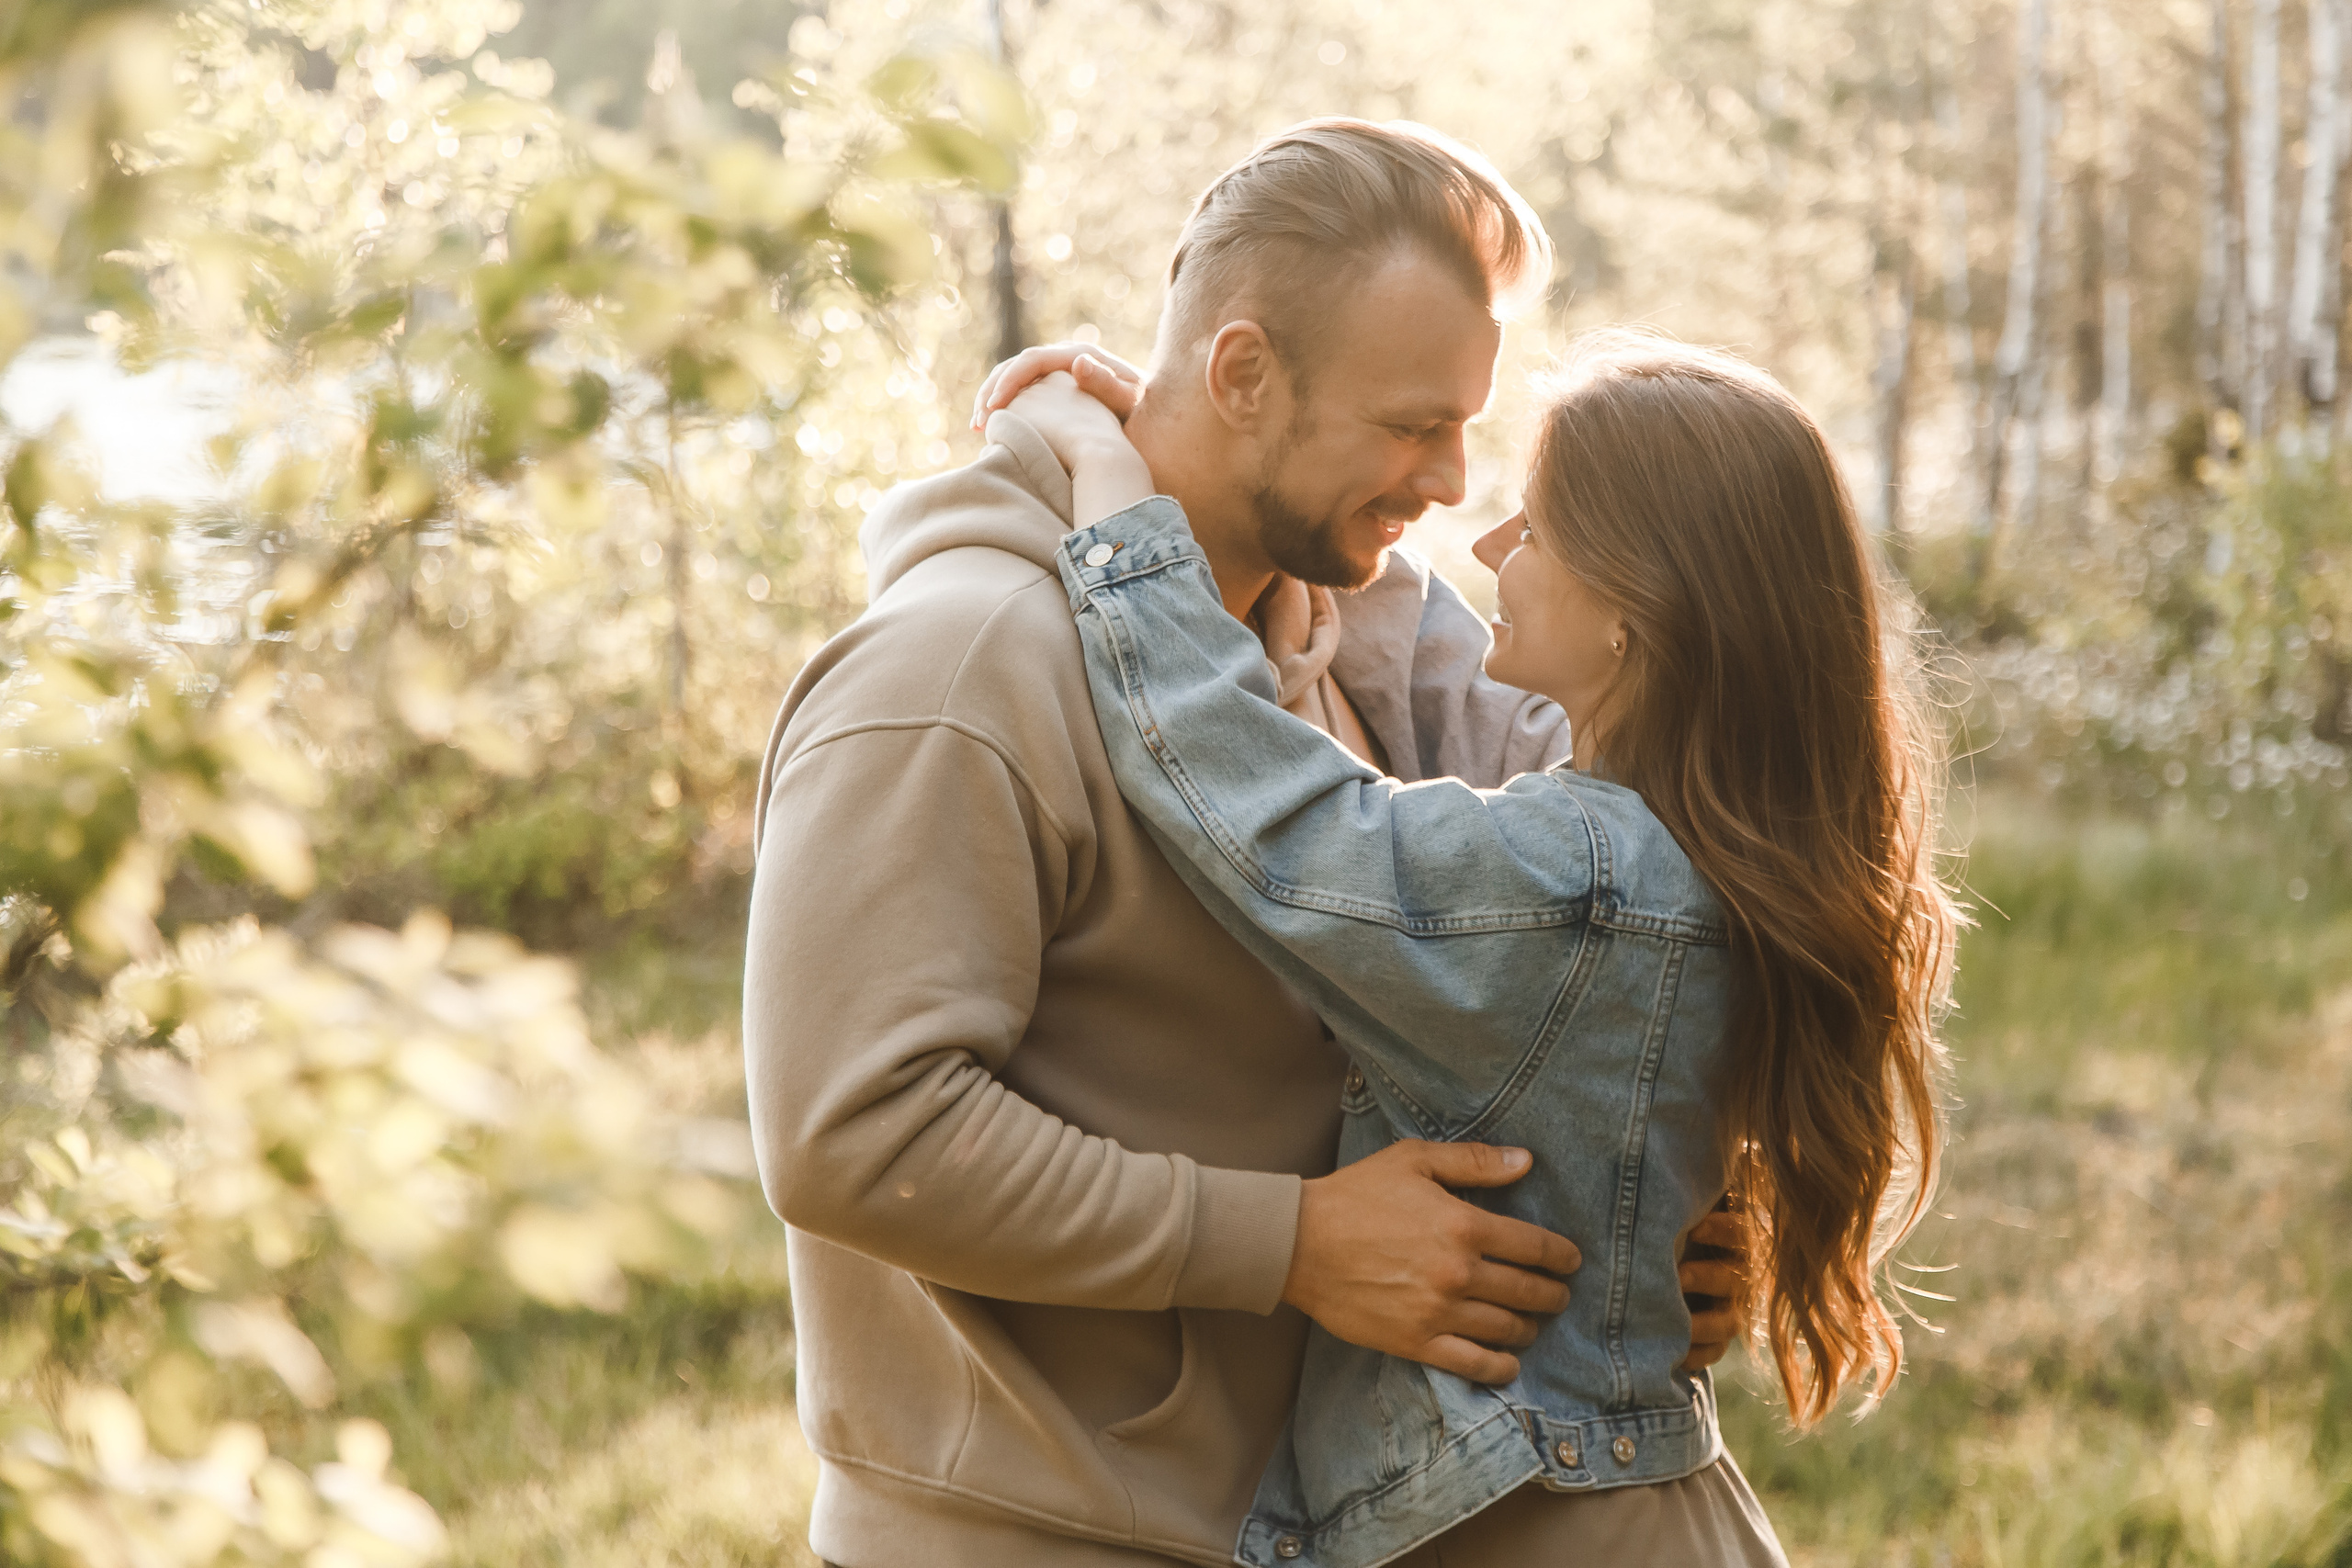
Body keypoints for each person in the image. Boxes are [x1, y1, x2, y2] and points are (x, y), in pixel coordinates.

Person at [741, 122, 1742, 1567]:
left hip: (1307, 1529)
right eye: (1412, 425)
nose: (1452, 482)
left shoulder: (1337, 639)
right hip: (1034, 1537)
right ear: (1242, 375)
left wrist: (1665, 1213)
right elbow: (856, 1136)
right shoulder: (954, 672)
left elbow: (1600, 896)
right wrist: (1294, 1245)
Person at [1003, 329, 1959, 1566]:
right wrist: (1226, 456)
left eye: (1539, 526)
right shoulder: (1707, 848)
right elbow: (1433, 646)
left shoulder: (1581, 883)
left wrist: (1111, 484)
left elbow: (1256, 808)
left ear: (1636, 613)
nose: (1494, 545)